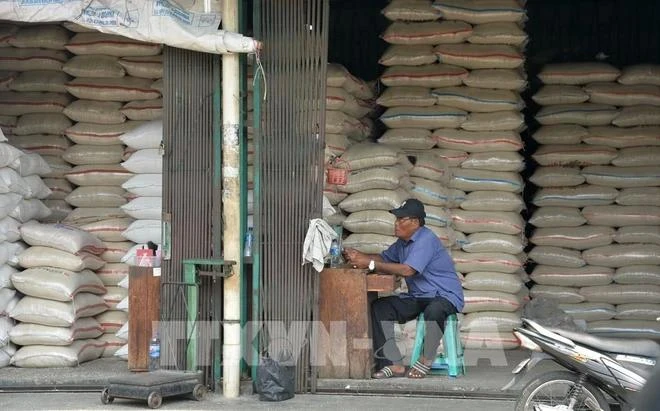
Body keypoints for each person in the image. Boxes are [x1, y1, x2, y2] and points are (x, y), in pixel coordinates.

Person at [343, 198, 464, 379]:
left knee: (435, 310)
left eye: (401, 219)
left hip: (444, 295)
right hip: (419, 296)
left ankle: (426, 359)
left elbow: (408, 270)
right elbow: (384, 259)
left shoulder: (426, 239)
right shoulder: (403, 243)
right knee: (381, 308)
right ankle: (392, 363)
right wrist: (360, 256)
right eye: (396, 219)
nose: (396, 223)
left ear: (415, 222)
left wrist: (369, 263)